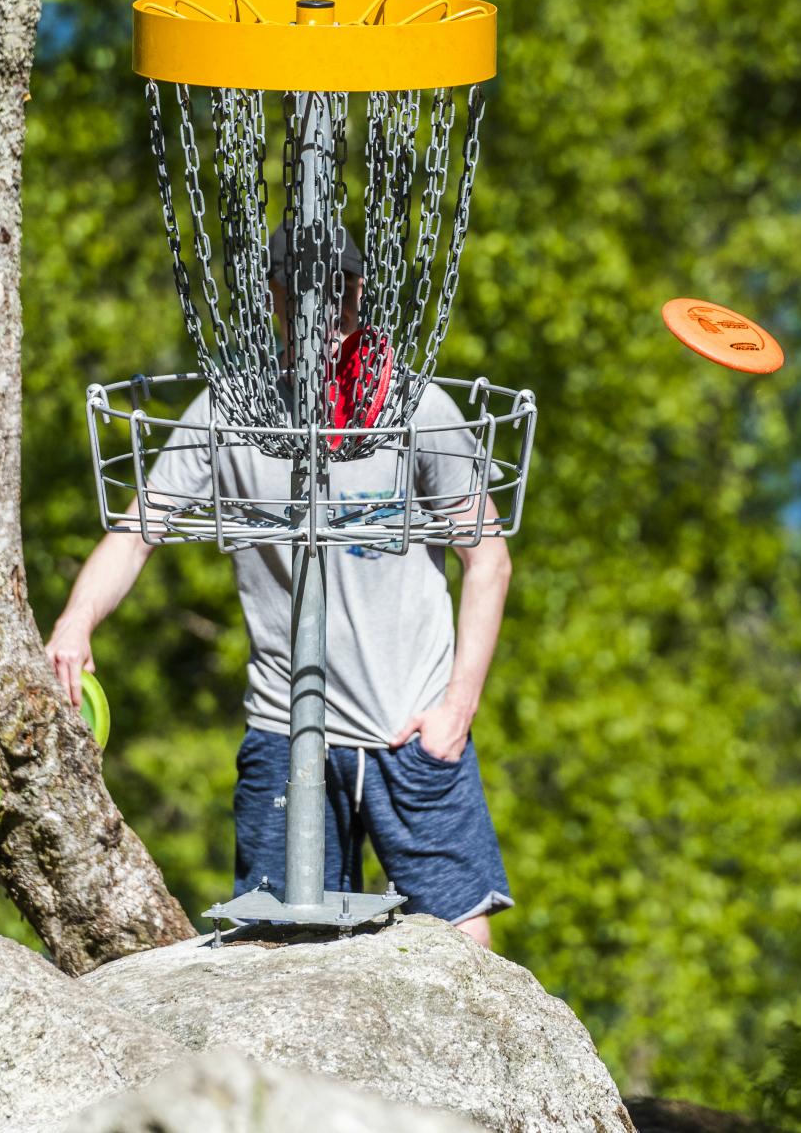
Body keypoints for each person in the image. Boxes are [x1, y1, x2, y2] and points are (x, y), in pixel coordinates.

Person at [46, 226, 514, 947]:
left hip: (412, 730)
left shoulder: (417, 410)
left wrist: (456, 709)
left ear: (361, 296)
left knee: (463, 941)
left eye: (340, 296)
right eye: (304, 296)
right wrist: (75, 623)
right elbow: (136, 531)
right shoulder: (227, 409)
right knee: (278, 951)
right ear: (273, 299)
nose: (325, 315)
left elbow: (489, 557)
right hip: (283, 725)